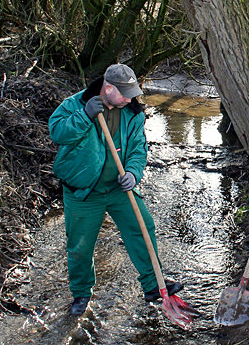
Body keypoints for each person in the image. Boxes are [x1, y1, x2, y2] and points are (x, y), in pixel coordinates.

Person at [49, 64, 183, 315]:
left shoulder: (132, 112)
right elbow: (58, 133)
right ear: (108, 88)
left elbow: (138, 149)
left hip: (118, 189)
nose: (131, 98)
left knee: (143, 228)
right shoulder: (76, 105)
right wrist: (84, 116)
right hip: (83, 191)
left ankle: (154, 285)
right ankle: (81, 294)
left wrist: (133, 173)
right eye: (125, 93)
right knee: (80, 246)